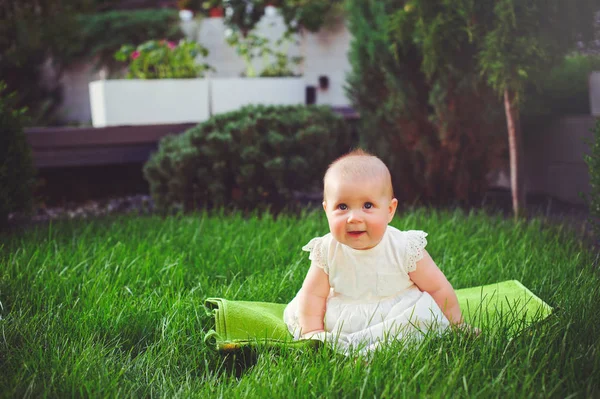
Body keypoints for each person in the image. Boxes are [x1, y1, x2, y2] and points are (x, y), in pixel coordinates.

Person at [283, 149, 466, 354]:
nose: (354, 217)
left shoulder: (404, 247)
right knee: (313, 320)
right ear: (326, 210)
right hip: (346, 314)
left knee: (415, 328)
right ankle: (351, 352)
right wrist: (313, 332)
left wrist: (456, 325)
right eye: (342, 206)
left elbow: (437, 288)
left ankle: (374, 354)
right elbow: (314, 294)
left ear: (389, 210)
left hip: (397, 314)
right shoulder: (327, 250)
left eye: (367, 205)